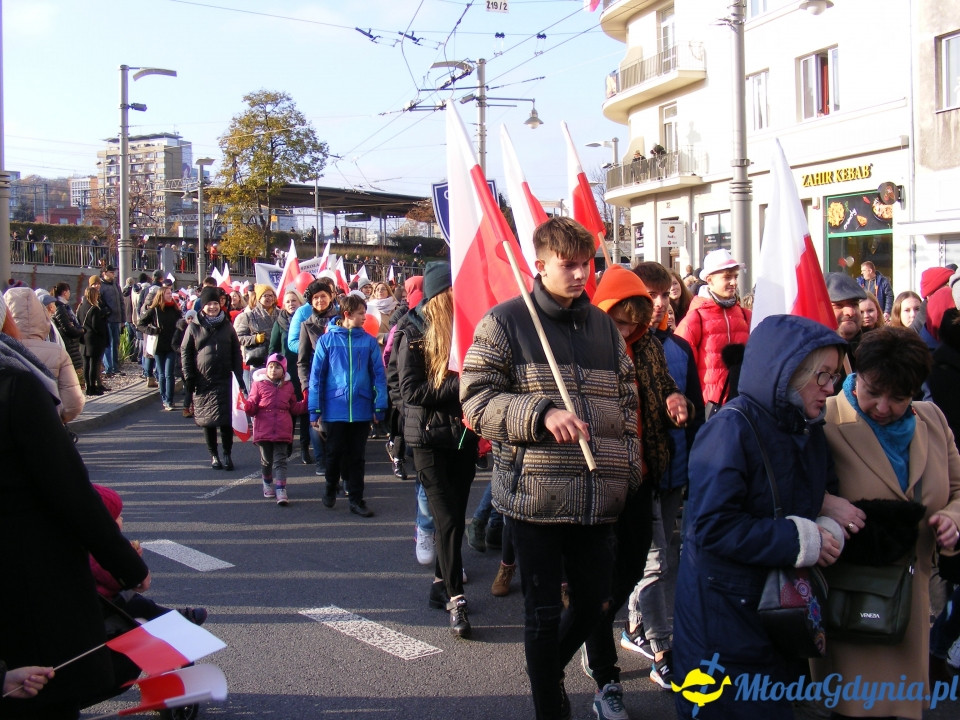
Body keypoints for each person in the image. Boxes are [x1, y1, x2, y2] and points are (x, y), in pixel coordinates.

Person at [460, 217, 643, 720]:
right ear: (539, 265)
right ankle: (549, 704)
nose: (582, 274)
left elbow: (627, 403)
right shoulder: (505, 322)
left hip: (598, 495)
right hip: (534, 496)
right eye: (569, 265)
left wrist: (626, 471)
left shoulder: (604, 326)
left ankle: (547, 671)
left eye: (586, 263)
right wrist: (539, 412)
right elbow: (475, 402)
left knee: (594, 605)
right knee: (541, 616)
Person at [673, 314, 846, 720]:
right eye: (821, 376)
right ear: (788, 372)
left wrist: (826, 527)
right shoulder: (730, 429)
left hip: (779, 609)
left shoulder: (808, 427)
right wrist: (802, 540)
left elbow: (824, 492)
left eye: (835, 377)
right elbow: (713, 527)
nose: (830, 389)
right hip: (723, 615)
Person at [0, 294, 150, 720]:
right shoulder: (15, 385)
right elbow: (69, 492)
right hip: (30, 578)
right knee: (45, 695)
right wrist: (128, 566)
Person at [810, 327, 960, 720]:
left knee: (902, 708)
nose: (882, 406)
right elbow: (785, 489)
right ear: (855, 374)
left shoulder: (932, 419)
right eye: (873, 390)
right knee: (853, 706)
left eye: (899, 397)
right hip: (851, 599)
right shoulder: (823, 417)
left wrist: (952, 518)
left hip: (913, 599)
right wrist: (826, 503)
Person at [581, 264, 690, 713]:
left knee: (635, 566)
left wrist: (674, 401)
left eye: (634, 320)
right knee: (612, 572)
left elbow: (664, 388)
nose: (628, 329)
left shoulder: (648, 347)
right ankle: (609, 655)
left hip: (645, 474)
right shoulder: (586, 346)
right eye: (620, 320)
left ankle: (620, 629)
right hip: (599, 478)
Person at [619, 261, 705, 690]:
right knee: (656, 562)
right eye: (649, 295)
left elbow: (695, 406)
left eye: (665, 294)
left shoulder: (678, 348)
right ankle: (662, 649)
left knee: (655, 558)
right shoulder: (618, 346)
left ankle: (633, 624)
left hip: (674, 468)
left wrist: (682, 408)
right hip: (635, 476)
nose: (657, 304)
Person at [395, 262, 478, 637]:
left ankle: (437, 583)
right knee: (446, 519)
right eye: (453, 292)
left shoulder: (468, 328)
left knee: (457, 517)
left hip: (462, 436)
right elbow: (411, 391)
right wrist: (458, 386)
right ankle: (455, 599)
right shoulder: (411, 331)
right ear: (439, 296)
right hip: (428, 439)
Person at [308, 293, 387, 518]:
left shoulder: (369, 342)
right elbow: (317, 378)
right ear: (347, 315)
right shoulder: (327, 341)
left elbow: (378, 376)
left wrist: (379, 406)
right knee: (333, 453)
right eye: (361, 313)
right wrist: (315, 409)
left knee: (357, 457)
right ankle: (330, 486)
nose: (365, 317)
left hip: (361, 408)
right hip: (335, 409)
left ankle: (356, 499)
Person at [676, 248, 751, 409]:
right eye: (727, 277)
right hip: (709, 409)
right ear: (709, 280)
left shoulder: (745, 315)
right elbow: (681, 368)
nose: (734, 282)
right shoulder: (696, 318)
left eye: (735, 277)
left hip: (743, 405)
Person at [181, 286, 245, 471]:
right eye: (209, 303)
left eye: (215, 303)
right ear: (202, 305)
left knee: (226, 421)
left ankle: (227, 454)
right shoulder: (193, 327)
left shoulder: (227, 326)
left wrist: (238, 376)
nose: (212, 307)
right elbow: (186, 353)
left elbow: (236, 352)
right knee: (207, 422)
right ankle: (214, 455)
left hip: (225, 380)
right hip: (203, 381)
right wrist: (189, 378)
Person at [3, 288, 84, 423]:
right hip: (48, 426)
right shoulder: (57, 352)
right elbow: (73, 403)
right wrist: (59, 419)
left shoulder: (4, 351)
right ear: (40, 314)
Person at [242, 353, 307, 506]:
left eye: (277, 367)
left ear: (283, 370)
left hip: (282, 429)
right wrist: (247, 406)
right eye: (270, 366)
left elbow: (293, 407)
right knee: (266, 461)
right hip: (263, 429)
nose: (273, 370)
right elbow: (252, 404)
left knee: (281, 460)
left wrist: (306, 403)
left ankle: (281, 489)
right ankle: (267, 483)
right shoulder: (258, 384)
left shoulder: (288, 386)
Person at [295, 280, 340, 476]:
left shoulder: (341, 321)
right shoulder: (307, 325)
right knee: (317, 423)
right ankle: (321, 460)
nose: (320, 300)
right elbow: (302, 361)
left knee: (337, 426)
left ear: (331, 297)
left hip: (340, 382)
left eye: (323, 296)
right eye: (315, 298)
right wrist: (305, 385)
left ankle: (335, 461)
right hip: (316, 382)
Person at [270, 288, 312, 465]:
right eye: (287, 301)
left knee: (304, 410)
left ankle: (304, 448)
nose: (291, 304)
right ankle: (287, 444)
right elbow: (273, 349)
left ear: (300, 302)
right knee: (287, 412)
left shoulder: (306, 320)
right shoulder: (279, 323)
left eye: (294, 300)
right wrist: (274, 373)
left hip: (304, 369)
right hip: (286, 374)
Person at [138, 284, 183, 411]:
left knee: (169, 374)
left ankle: (169, 400)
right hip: (158, 346)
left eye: (170, 293)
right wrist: (152, 331)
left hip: (171, 346)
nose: (170, 295)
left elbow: (181, 324)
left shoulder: (175, 309)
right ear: (161, 296)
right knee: (162, 374)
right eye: (168, 293)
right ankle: (164, 397)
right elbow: (140, 324)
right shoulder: (154, 310)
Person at [234, 284, 278, 390]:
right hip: (258, 360)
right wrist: (254, 339)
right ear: (258, 298)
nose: (268, 298)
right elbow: (238, 338)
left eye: (271, 295)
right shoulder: (248, 316)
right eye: (265, 295)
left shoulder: (281, 314)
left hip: (276, 360)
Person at [825, 271, 868, 364]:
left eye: (854, 304)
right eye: (839, 305)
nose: (850, 312)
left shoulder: (877, 351)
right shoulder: (809, 358)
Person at [76, 285, 110, 397]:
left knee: (86, 364)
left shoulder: (81, 306)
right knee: (94, 364)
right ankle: (92, 387)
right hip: (94, 339)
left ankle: (88, 387)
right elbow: (97, 326)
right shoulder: (94, 309)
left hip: (83, 338)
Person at [51, 282, 84, 389]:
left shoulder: (65, 307)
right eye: (69, 291)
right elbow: (68, 328)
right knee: (75, 374)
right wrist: (81, 331)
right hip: (69, 344)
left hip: (72, 344)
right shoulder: (60, 308)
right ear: (65, 292)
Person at [98, 265, 123, 378]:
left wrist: (122, 319)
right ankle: (108, 368)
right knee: (108, 344)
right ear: (105, 273)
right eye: (111, 272)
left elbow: (121, 301)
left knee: (115, 343)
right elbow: (100, 303)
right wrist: (107, 311)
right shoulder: (101, 287)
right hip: (107, 319)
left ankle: (115, 367)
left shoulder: (115, 285)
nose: (113, 274)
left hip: (116, 319)